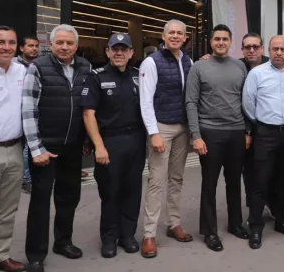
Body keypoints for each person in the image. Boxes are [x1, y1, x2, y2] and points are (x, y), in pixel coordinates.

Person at [22, 25, 91, 272]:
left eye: (69, 43)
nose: (64, 47)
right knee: (40, 202)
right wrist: (36, 148)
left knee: (68, 197)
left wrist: (86, 140)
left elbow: (88, 106)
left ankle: (63, 242)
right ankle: (35, 255)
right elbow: (28, 110)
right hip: (46, 148)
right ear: (50, 44)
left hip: (72, 146)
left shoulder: (85, 67)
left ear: (76, 46)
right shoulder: (38, 68)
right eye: (59, 42)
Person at [186, 25, 250, 252]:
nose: (221, 42)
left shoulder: (240, 66)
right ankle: (209, 231)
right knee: (209, 184)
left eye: (225, 39)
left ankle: (235, 223)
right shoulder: (199, 67)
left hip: (236, 131)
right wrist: (196, 136)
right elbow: (191, 102)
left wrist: (247, 131)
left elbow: (247, 100)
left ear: (231, 42)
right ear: (211, 42)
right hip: (209, 132)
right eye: (217, 39)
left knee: (234, 182)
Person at [81, 33, 145, 259]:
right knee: (110, 192)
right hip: (110, 141)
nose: (119, 53)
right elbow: (88, 114)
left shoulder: (139, 76)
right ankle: (109, 238)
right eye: (114, 49)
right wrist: (98, 146)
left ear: (131, 53)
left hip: (136, 140)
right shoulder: (96, 77)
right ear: (107, 52)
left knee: (132, 190)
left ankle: (128, 235)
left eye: (123, 49)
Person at [243, 35, 284, 249]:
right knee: (260, 181)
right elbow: (248, 103)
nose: (279, 53)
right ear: (268, 50)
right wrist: (261, 123)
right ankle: (255, 227)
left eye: (283, 49)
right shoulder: (256, 73)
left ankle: (282, 221)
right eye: (275, 49)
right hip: (265, 133)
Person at [138, 20, 194, 259]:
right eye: (171, 32)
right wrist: (154, 133)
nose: (175, 36)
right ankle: (149, 234)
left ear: (185, 37)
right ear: (163, 36)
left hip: (182, 127)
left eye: (179, 33)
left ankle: (174, 223)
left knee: (177, 178)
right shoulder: (151, 62)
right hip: (162, 127)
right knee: (156, 181)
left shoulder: (188, 61)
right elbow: (145, 100)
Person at [0, 26, 27, 272]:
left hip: (15, 149)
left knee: (6, 209)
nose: (6, 47)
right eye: (0, 42)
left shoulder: (21, 70)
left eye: (11, 42)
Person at [238, 33, 270, 212]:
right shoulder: (236, 66)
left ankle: (272, 205)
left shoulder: (272, 65)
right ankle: (254, 209)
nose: (251, 50)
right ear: (242, 49)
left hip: (269, 127)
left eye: (255, 46)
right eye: (247, 47)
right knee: (249, 170)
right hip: (244, 128)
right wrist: (248, 131)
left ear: (262, 48)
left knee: (271, 169)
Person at [15, 34, 39, 194]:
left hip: (32, 113)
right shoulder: (14, 65)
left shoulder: (39, 65)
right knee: (24, 147)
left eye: (36, 46)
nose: (34, 49)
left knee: (28, 147)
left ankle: (27, 178)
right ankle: (26, 179)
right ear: (21, 48)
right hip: (16, 113)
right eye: (30, 46)